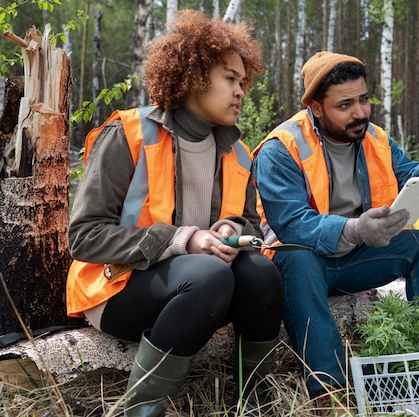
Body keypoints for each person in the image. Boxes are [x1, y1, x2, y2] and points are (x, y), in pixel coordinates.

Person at [66, 10, 283, 417]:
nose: (240, 92)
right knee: (210, 273)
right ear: (195, 76)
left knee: (261, 272)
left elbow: (249, 223)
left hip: (198, 290)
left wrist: (228, 230)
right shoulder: (127, 134)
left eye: (243, 82)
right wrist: (183, 239)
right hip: (117, 286)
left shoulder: (236, 151)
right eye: (230, 79)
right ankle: (140, 410)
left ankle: (254, 402)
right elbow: (84, 237)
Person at [252, 51, 419, 414]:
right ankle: (329, 394)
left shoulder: (375, 137)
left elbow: (412, 186)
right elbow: (292, 224)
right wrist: (355, 229)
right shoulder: (280, 148)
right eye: (345, 104)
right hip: (300, 264)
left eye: (364, 99)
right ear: (316, 108)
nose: (361, 112)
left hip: (355, 259)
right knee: (297, 258)